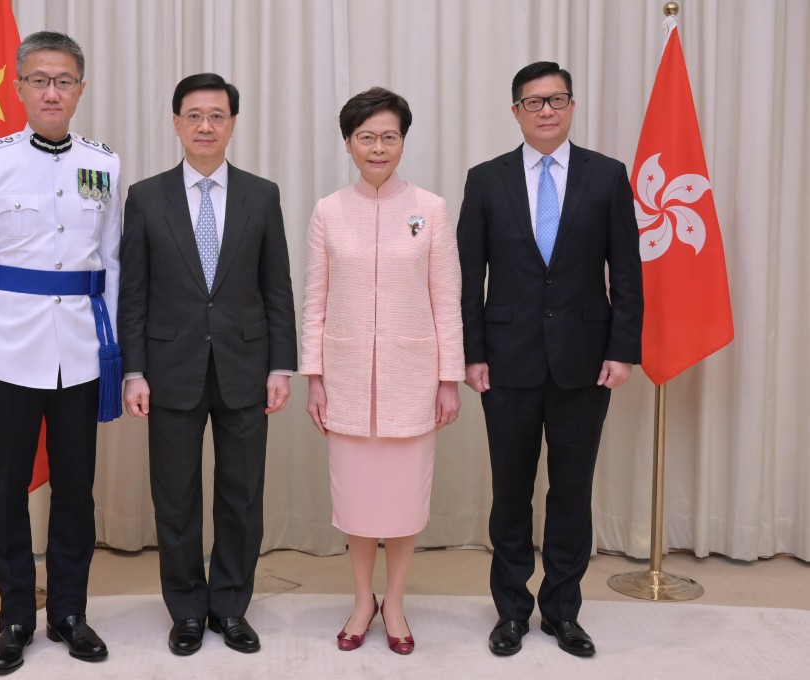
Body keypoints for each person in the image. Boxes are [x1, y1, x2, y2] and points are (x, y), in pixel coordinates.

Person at [0, 31, 118, 674]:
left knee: (77, 489)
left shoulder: (104, 163)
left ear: (80, 89)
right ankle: (16, 613)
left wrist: (115, 352)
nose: (52, 91)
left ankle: (69, 611)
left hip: (79, 352)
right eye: (40, 79)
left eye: (64, 80)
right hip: (8, 352)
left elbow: (114, 264)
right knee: (9, 490)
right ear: (18, 87)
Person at [457, 61, 643, 658]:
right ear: (515, 111)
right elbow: (468, 278)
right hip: (505, 363)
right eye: (533, 102)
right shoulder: (485, 180)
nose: (545, 110)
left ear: (571, 106)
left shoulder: (608, 176)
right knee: (510, 495)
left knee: (571, 493)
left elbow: (628, 271)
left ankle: (563, 611)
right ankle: (511, 611)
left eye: (556, 99)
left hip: (585, 363)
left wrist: (623, 348)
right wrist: (472, 353)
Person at [116, 73, 297, 656]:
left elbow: (278, 288)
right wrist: (134, 369)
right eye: (193, 115)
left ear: (233, 124)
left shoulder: (262, 194)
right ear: (175, 123)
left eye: (217, 115)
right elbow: (134, 293)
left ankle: (231, 607)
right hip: (170, 369)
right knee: (176, 498)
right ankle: (187, 611)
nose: (205, 126)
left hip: (246, 367)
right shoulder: (146, 196)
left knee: (243, 496)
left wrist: (280, 367)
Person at [300, 87, 463, 656]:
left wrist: (448, 379)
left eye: (388, 136)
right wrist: (314, 376)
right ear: (348, 143)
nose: (378, 147)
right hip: (345, 379)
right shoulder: (328, 211)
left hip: (412, 380)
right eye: (366, 137)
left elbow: (447, 298)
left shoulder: (432, 209)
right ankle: (360, 598)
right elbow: (314, 300)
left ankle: (393, 599)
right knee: (358, 503)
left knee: (402, 502)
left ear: (402, 142)